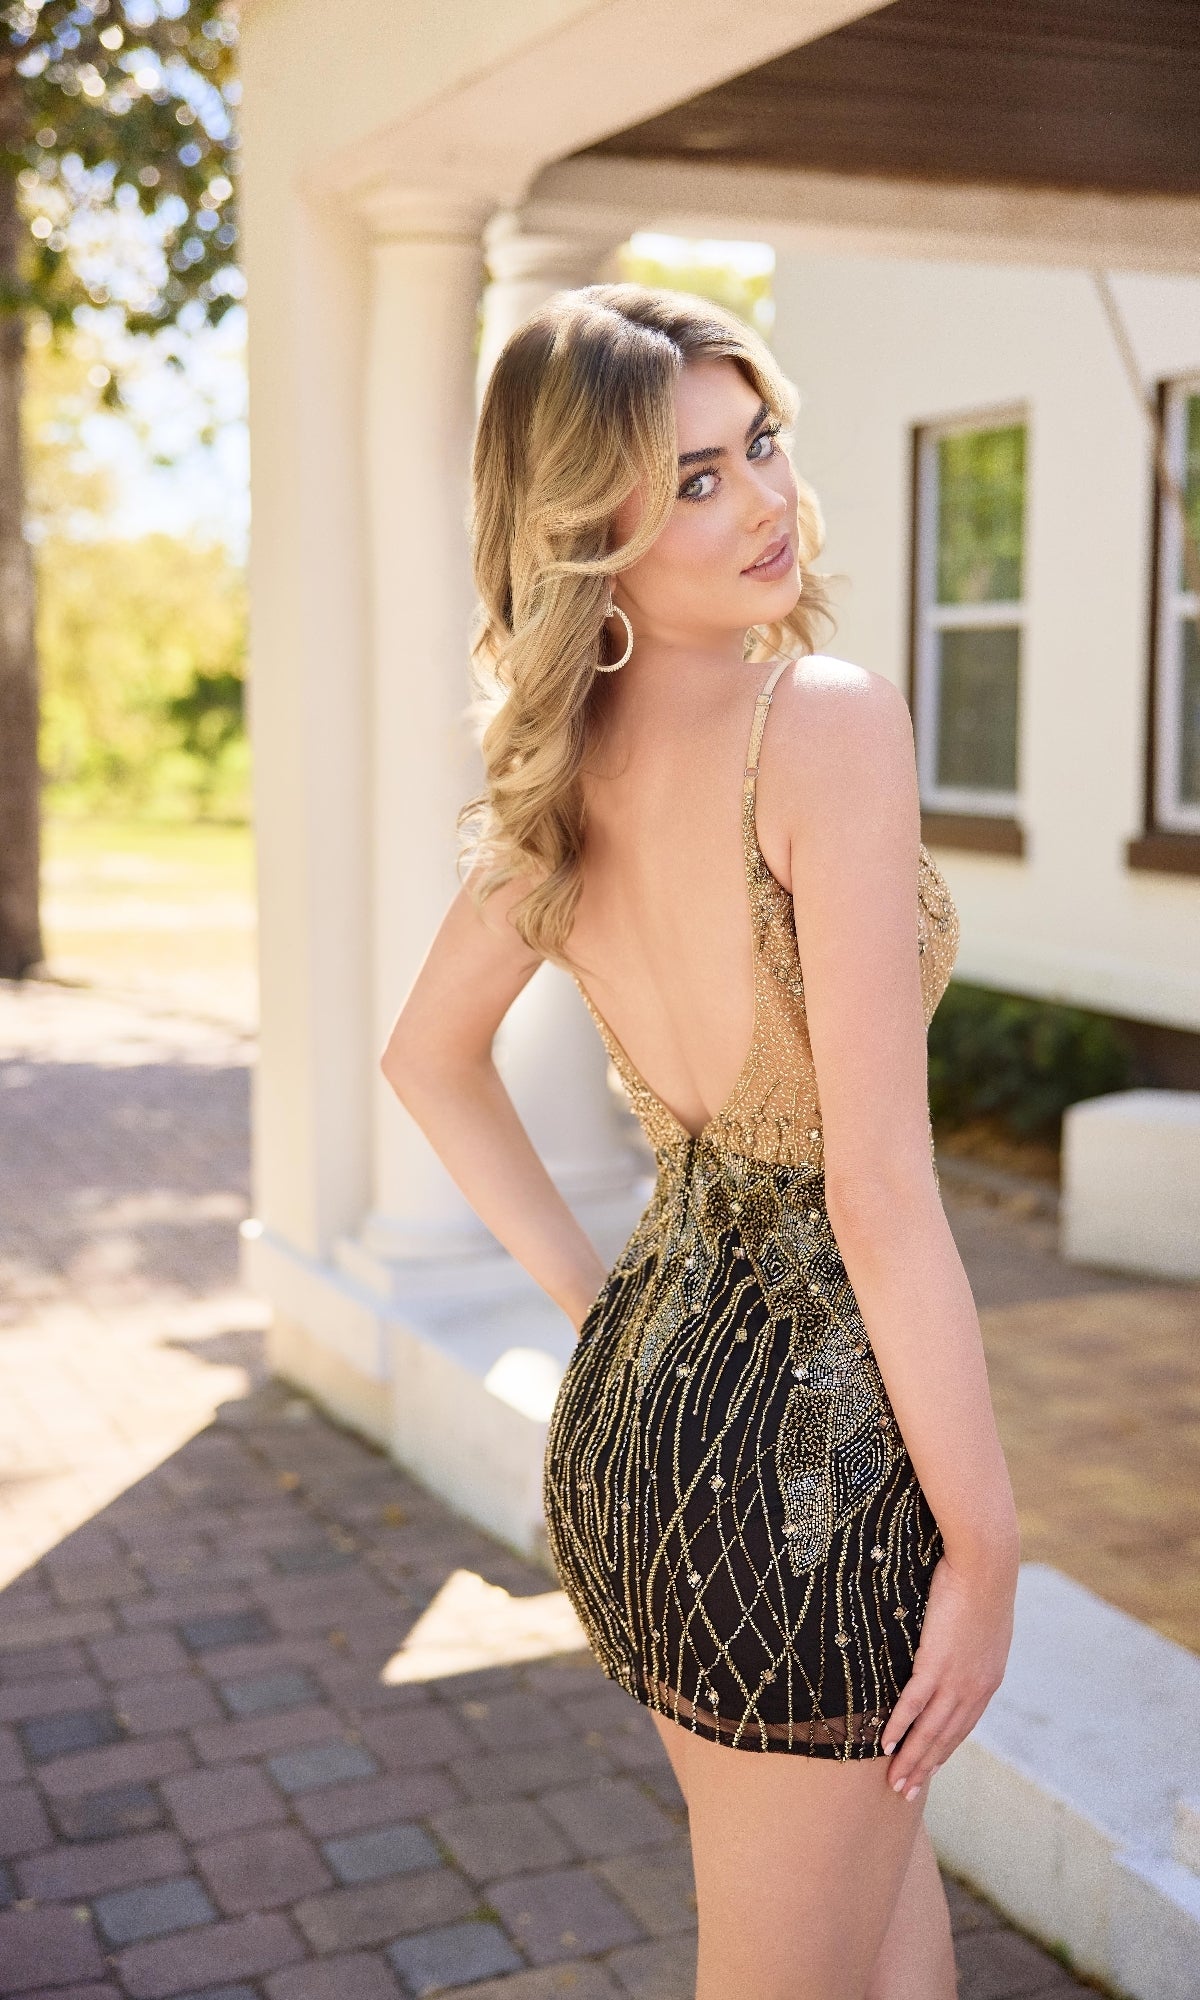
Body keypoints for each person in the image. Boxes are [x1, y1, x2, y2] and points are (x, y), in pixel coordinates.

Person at [380, 283, 1020, 2000]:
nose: (764, 503)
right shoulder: (823, 717)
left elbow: (426, 1059)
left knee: (893, 1956)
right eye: (693, 482)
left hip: (647, 1435)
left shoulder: (566, 777)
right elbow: (879, 1194)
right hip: (817, 1488)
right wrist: (990, 1546)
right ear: (588, 526)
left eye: (763, 449)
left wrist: (614, 1317)